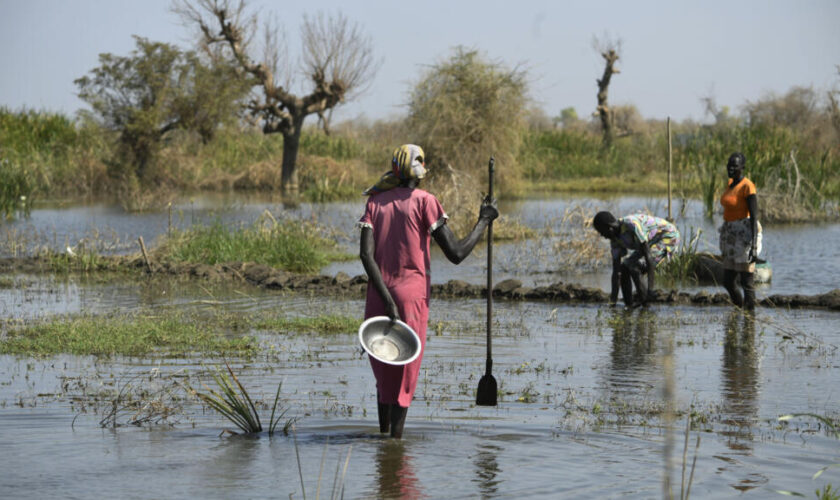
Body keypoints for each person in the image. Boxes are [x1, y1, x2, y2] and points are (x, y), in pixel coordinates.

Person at [358, 144, 498, 438]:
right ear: (420, 173)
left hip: (377, 299)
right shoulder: (425, 201)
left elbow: (366, 256)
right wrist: (484, 220)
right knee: (404, 379)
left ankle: (383, 443)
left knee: (384, 377)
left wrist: (384, 297)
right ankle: (394, 448)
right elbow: (457, 253)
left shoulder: (375, 202)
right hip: (410, 300)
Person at [593, 211, 680, 308]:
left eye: (601, 232)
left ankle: (646, 304)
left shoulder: (631, 225)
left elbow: (648, 256)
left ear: (609, 227)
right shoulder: (615, 240)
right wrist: (613, 302)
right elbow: (616, 272)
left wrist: (650, 289)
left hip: (667, 236)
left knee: (634, 266)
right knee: (624, 267)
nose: (602, 236)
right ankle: (629, 305)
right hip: (651, 242)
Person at [719, 152, 762, 310]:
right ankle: (739, 308)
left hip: (745, 234)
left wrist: (754, 247)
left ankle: (750, 318)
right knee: (728, 281)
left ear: (742, 168)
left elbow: (754, 216)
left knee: (746, 281)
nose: (731, 168)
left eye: (735, 166)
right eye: (729, 165)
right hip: (730, 234)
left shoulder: (747, 186)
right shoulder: (730, 183)